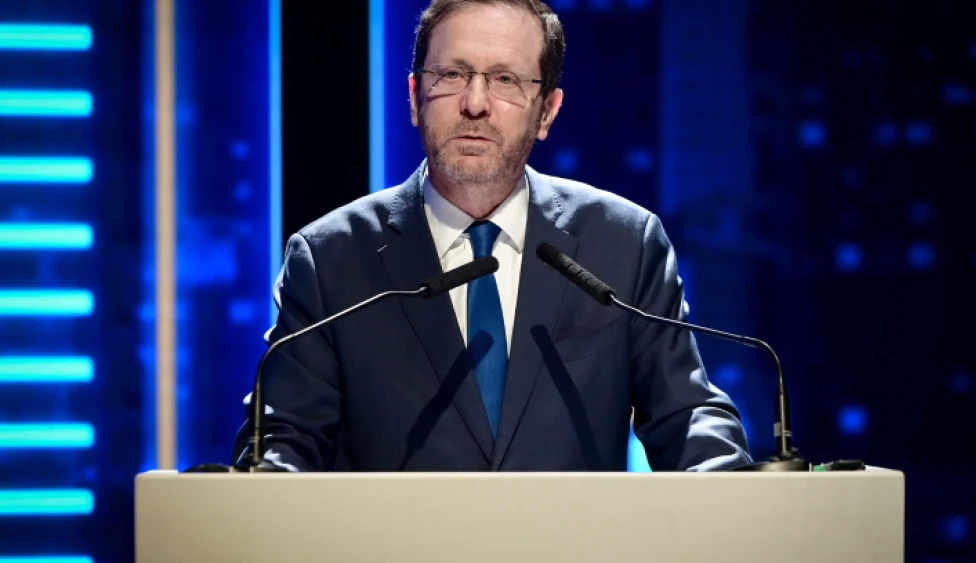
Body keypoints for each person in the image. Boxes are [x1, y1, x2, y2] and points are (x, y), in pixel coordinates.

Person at [232, 0, 751, 472]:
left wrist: (735, 489)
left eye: (506, 80)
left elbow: (686, 418)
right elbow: (283, 440)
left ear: (547, 111)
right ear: (414, 97)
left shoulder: (623, 243)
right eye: (452, 75)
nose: (475, 103)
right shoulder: (329, 258)